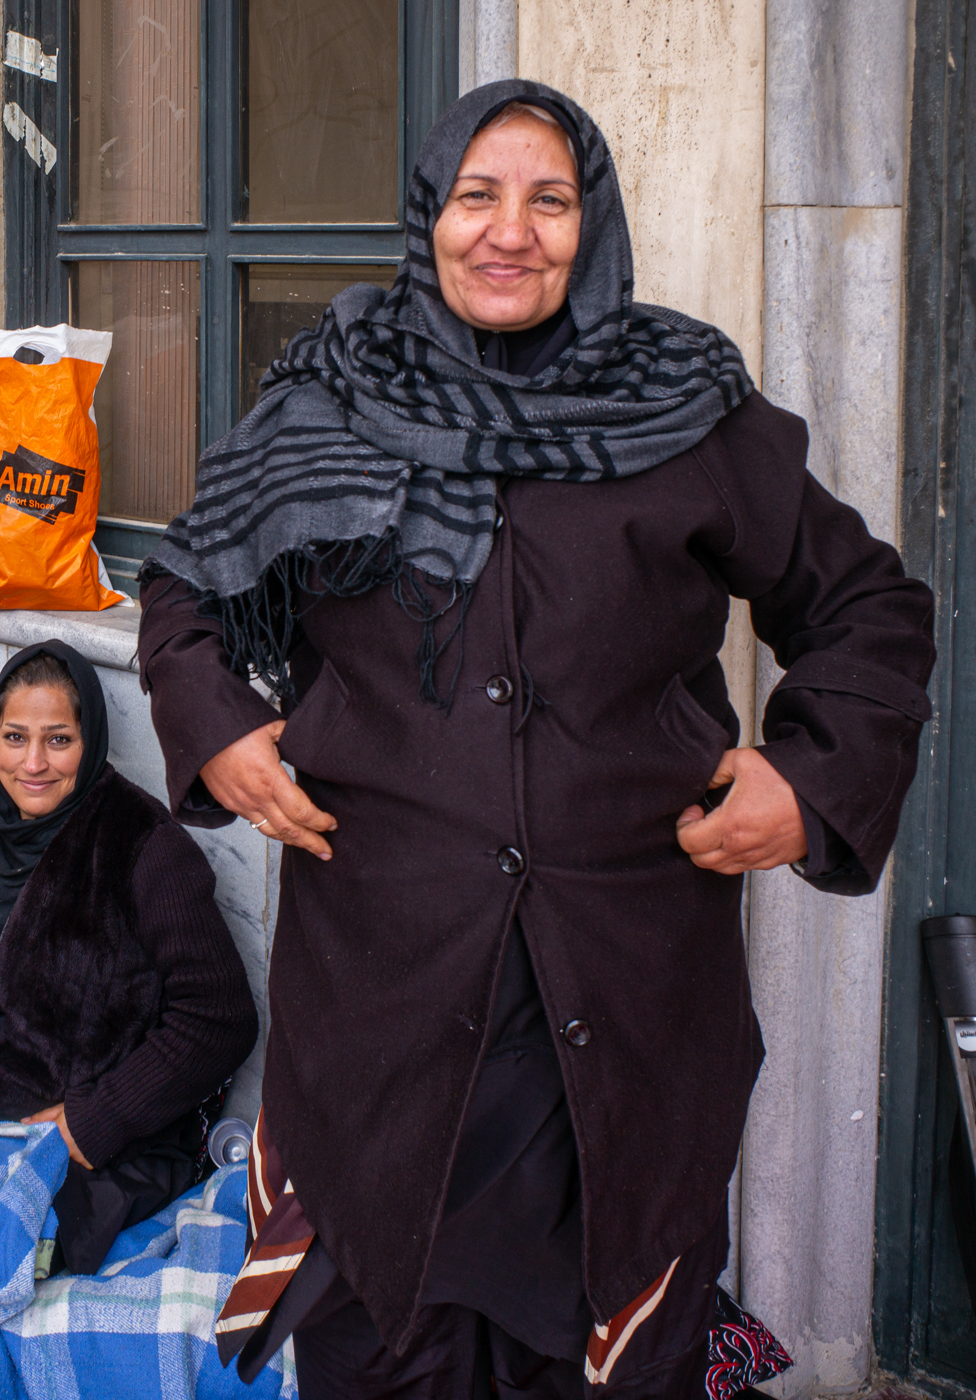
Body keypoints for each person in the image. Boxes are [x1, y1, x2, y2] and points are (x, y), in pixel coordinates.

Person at [135, 80, 936, 1398]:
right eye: (475, 196)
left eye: (548, 200)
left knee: (607, 1358)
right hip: (382, 1007)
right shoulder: (327, 402)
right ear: (425, 217)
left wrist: (810, 777)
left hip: (620, 1008)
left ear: (591, 225)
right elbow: (186, 591)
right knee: (381, 1351)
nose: (509, 232)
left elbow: (866, 606)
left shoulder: (684, 413)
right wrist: (217, 729)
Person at [0, 640, 258, 1274]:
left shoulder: (144, 847)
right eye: (15, 738)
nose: (33, 763)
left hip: (97, 1137)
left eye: (58, 740)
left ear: (89, 740)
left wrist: (89, 1123)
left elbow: (220, 1017)